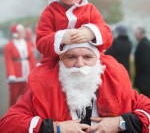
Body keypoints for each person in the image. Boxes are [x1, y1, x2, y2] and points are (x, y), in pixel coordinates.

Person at [0, 42, 150, 133]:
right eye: (71, 57)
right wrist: (54, 128)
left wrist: (121, 123)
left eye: (87, 57)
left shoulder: (116, 87)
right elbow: (8, 123)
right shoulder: (43, 90)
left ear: (98, 61)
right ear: (60, 61)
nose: (79, 64)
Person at [36, 0, 112, 67]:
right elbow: (41, 43)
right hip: (56, 62)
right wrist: (62, 38)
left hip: (90, 61)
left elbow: (108, 36)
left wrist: (91, 33)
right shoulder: (50, 12)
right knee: (39, 77)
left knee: (117, 73)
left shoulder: (90, 10)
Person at [4, 24, 36, 107]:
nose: (23, 32)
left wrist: (34, 72)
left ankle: (25, 112)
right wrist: (12, 74)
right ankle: (11, 113)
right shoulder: (9, 46)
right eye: (20, 31)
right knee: (14, 96)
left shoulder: (28, 44)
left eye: (23, 30)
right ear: (15, 32)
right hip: (16, 75)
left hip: (27, 72)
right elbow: (9, 61)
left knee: (27, 94)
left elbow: (32, 59)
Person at [134, 27, 150, 98]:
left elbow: (144, 62)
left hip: (144, 77)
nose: (135, 36)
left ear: (140, 34)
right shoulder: (144, 43)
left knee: (145, 96)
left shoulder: (144, 44)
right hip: (145, 76)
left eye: (136, 34)